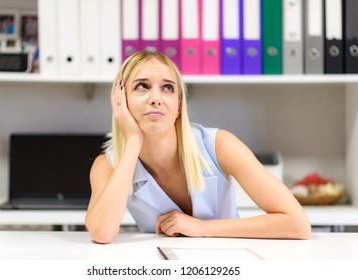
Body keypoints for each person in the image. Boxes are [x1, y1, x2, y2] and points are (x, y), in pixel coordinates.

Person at [85, 50, 311, 244]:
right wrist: (133, 140)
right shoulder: (107, 165)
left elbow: (297, 224)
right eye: (142, 86)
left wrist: (203, 229)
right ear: (120, 100)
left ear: (179, 105)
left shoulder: (219, 145)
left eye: (167, 88)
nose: (156, 98)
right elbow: (102, 233)